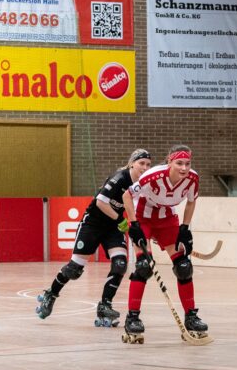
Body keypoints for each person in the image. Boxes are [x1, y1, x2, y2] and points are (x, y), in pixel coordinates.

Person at [36, 149, 153, 325]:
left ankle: (105, 305)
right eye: (141, 163)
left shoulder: (143, 185)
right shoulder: (119, 178)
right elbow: (101, 202)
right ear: (131, 164)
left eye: (148, 164)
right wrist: (120, 219)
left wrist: (149, 230)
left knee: (120, 264)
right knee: (74, 269)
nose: (145, 167)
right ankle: (50, 294)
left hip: (112, 228)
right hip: (93, 224)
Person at [121, 145, 209, 344]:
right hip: (142, 216)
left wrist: (185, 228)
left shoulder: (192, 178)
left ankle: (191, 316)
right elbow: (127, 195)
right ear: (169, 161)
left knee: (184, 267)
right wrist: (133, 224)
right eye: (179, 163)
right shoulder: (153, 176)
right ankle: (132, 318)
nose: (184, 168)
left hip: (167, 219)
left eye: (187, 163)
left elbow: (191, 201)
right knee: (144, 266)